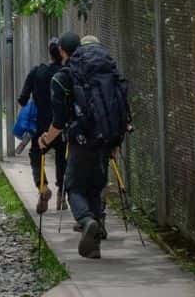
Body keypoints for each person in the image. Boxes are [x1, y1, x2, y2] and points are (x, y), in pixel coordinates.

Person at [39, 31, 130, 260]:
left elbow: (58, 123)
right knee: (95, 188)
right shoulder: (102, 72)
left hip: (81, 141)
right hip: (105, 139)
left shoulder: (62, 78)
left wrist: (45, 141)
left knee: (74, 188)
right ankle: (93, 247)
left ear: (61, 51)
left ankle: (86, 221)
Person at [17, 39, 66, 214]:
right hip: (62, 126)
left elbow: (23, 99)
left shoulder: (37, 71)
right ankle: (62, 191)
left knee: (36, 155)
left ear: (49, 52)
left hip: (40, 127)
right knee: (63, 156)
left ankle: (43, 187)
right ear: (62, 52)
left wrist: (23, 120)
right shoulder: (66, 73)